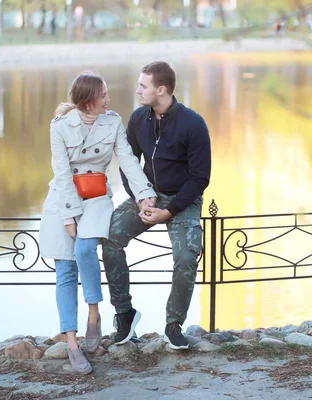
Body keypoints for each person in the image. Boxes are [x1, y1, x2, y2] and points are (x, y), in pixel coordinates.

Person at [39, 71, 156, 374]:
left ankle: (94, 315)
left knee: (84, 249)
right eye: (103, 95)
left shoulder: (112, 122)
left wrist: (144, 194)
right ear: (89, 101)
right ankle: (72, 343)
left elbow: (128, 160)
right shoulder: (60, 127)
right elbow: (62, 173)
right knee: (65, 270)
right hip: (63, 199)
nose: (108, 99)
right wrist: (67, 215)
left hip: (96, 199)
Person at [102, 61, 211, 350]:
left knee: (187, 256)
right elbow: (128, 164)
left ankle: (174, 324)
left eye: (143, 86)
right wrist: (140, 196)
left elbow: (200, 178)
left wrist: (170, 210)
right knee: (110, 237)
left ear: (161, 89)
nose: (137, 90)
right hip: (147, 196)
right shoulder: (139, 119)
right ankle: (125, 315)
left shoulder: (193, 124)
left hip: (182, 200)